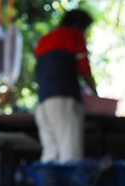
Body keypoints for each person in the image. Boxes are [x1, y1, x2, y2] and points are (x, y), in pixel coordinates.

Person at [34, 8, 98, 163]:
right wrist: (95, 92)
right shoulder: (74, 35)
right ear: (78, 24)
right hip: (64, 99)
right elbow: (84, 68)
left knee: (51, 154)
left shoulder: (44, 40)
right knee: (70, 154)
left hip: (43, 103)